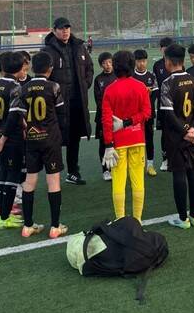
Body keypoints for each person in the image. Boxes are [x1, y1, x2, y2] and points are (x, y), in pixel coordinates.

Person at [9, 51, 67, 239]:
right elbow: (61, 115)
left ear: (33, 68)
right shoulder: (54, 87)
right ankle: (55, 226)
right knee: (53, 181)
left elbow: (20, 116)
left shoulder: (23, 89)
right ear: (50, 69)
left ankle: (27, 225)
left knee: (30, 181)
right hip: (50, 140)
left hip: (32, 140)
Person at [101, 51, 151, 222]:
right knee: (138, 181)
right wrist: (129, 122)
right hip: (137, 140)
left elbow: (106, 121)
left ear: (115, 66)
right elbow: (147, 113)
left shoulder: (110, 90)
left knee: (118, 182)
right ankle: (137, 220)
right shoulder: (140, 87)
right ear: (132, 65)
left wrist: (108, 145)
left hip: (118, 143)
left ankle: (120, 220)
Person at [43, 17, 94, 185]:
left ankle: (73, 172)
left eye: (67, 28)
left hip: (77, 102)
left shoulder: (79, 47)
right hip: (57, 105)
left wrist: (85, 84)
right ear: (54, 30)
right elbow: (43, 75)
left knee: (74, 138)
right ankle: (54, 172)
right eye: (61, 28)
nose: (65, 31)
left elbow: (89, 68)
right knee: (55, 139)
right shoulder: (48, 51)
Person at [159, 43, 194, 229]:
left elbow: (169, 114)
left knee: (179, 173)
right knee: (193, 171)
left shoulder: (167, 83)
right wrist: (192, 128)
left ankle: (183, 219)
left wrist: (184, 132)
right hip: (193, 135)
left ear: (168, 62)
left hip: (176, 136)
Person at [0, 52, 25, 229]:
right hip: (12, 137)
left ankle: (2, 212)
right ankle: (5, 215)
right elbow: (13, 116)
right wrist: (4, 138)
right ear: (20, 68)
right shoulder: (15, 87)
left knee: (3, 171)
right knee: (13, 174)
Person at [133, 49, 159, 177]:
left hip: (148, 114)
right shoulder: (131, 76)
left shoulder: (151, 76)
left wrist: (146, 104)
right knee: (135, 139)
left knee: (149, 138)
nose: (141, 64)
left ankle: (150, 164)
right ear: (135, 62)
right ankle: (136, 164)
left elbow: (155, 93)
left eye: (143, 61)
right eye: (139, 61)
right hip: (134, 115)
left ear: (146, 61)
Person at [94, 52, 116, 181]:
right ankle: (106, 170)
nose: (107, 65)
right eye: (104, 63)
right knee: (104, 143)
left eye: (109, 62)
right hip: (103, 117)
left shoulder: (118, 76)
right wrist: (108, 112)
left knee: (118, 142)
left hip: (118, 116)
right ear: (101, 65)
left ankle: (116, 168)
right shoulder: (98, 79)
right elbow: (98, 100)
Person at [153, 37, 173, 171]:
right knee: (165, 132)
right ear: (161, 49)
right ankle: (165, 159)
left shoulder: (176, 63)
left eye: (168, 48)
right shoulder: (157, 65)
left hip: (176, 103)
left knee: (176, 130)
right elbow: (155, 86)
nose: (166, 50)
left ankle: (175, 157)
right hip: (162, 105)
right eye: (164, 48)